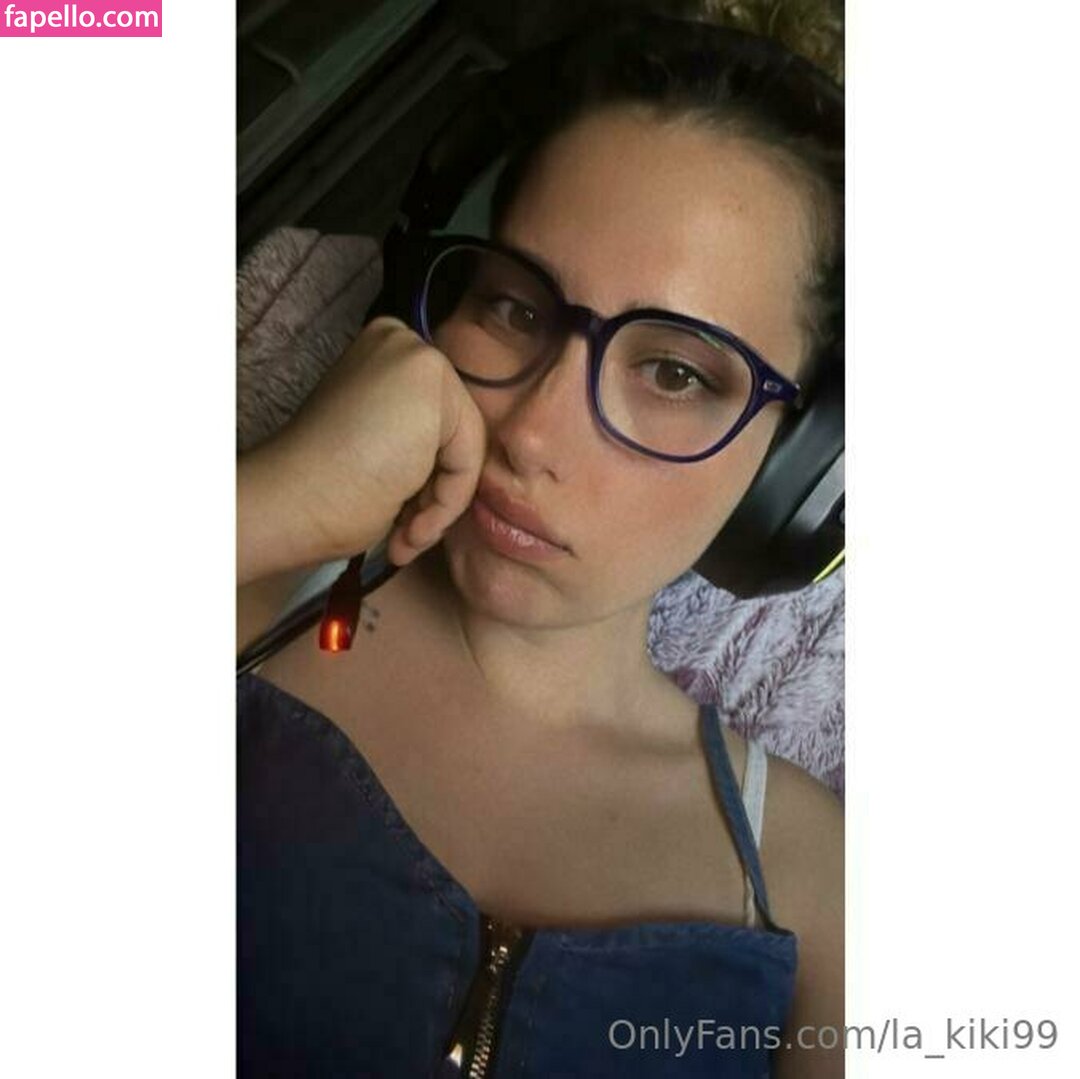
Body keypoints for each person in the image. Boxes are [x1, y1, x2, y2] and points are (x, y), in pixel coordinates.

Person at [237, 13, 844, 1077]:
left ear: (797, 472)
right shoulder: (231, 596)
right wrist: (267, 503)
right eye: (514, 308)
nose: (531, 432)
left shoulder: (820, 885)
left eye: (675, 373)